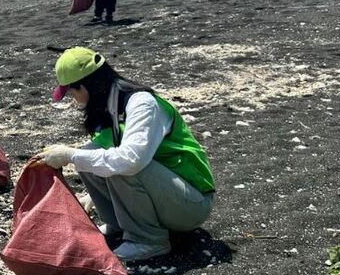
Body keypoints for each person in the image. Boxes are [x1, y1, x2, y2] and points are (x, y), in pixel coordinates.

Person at [37, 47, 215, 262]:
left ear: (84, 86)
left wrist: (70, 155)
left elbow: (132, 161)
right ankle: (120, 227)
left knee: (120, 162)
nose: (74, 99)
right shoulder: (111, 106)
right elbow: (95, 154)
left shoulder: (142, 104)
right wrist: (88, 186)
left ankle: (148, 241)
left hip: (191, 206)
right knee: (88, 156)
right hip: (169, 196)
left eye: (72, 93)